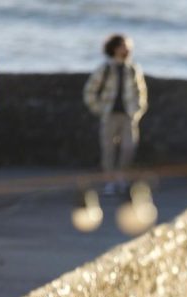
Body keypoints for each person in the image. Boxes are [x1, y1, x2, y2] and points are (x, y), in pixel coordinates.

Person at [82, 33, 148, 195]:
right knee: (108, 149)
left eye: (128, 47)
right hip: (109, 114)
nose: (127, 49)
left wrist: (138, 110)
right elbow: (90, 91)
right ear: (115, 48)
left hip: (128, 115)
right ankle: (109, 181)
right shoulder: (104, 69)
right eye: (123, 46)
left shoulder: (132, 69)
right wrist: (99, 109)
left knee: (129, 147)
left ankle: (121, 177)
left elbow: (141, 92)